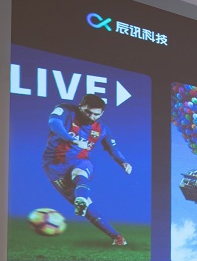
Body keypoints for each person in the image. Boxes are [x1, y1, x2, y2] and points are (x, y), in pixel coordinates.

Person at [43, 93, 132, 246]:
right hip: (55, 165)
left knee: (81, 171)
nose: (91, 117)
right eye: (88, 112)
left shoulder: (102, 128)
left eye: (96, 114)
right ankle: (114, 235)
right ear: (80, 106)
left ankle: (82, 199)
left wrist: (123, 162)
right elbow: (54, 123)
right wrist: (71, 139)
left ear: (102, 113)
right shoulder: (65, 110)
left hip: (80, 160)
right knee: (88, 207)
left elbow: (113, 149)